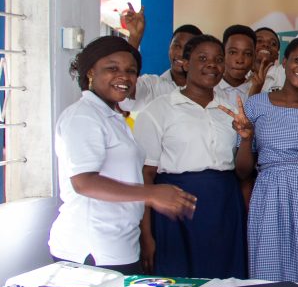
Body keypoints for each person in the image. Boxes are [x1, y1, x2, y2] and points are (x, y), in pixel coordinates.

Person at [50, 36, 196, 272]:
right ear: (90, 73)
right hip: (91, 247)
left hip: (119, 243)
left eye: (131, 71)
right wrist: (152, 193)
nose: (124, 77)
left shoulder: (113, 116)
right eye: (112, 68)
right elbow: (84, 182)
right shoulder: (83, 116)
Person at [223, 36, 298, 285]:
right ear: (285, 62)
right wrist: (246, 139)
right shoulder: (256, 104)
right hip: (269, 192)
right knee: (269, 267)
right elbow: (243, 170)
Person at [134, 35, 246, 278]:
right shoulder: (158, 109)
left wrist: (246, 137)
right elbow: (146, 175)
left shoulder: (232, 109)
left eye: (218, 59)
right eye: (202, 58)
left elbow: (243, 167)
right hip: (177, 205)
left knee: (226, 281)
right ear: (185, 63)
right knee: (180, 281)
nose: (212, 65)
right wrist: (146, 235)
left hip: (224, 204)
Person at [123, 23, 202, 113]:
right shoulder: (151, 86)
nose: (181, 54)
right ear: (169, 47)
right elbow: (126, 88)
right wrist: (134, 38)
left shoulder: (210, 89)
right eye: (177, 46)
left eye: (189, 49)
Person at [219, 25, 257, 104]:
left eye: (247, 54)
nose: (240, 60)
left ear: (254, 58)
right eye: (232, 52)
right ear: (222, 54)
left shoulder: (259, 93)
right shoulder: (208, 90)